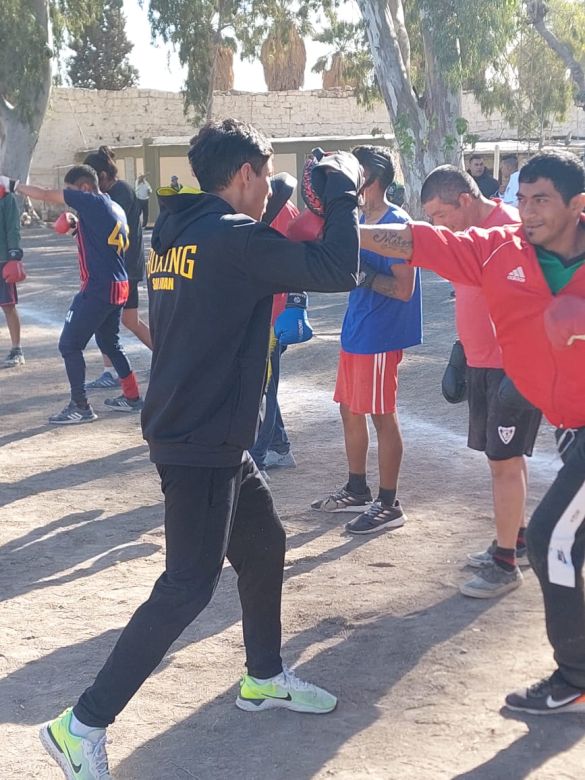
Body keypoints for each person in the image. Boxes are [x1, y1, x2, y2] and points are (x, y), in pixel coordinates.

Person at [37, 118, 363, 778]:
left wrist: (287, 205)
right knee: (187, 586)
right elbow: (337, 268)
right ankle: (83, 725)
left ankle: (263, 676)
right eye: (264, 176)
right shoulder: (232, 238)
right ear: (243, 174)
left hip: (196, 423)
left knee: (264, 543)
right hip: (202, 435)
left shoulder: (181, 229)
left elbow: (244, 263)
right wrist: (344, 192)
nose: (267, 189)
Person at [360, 150, 585, 715]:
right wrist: (349, 234)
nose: (527, 212)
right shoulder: (501, 250)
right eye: (523, 198)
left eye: (542, 201)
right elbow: (423, 243)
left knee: (552, 536)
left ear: (577, 206)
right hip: (570, 423)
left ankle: (576, 674)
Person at [420, 165, 542, 598]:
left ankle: (505, 564)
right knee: (505, 461)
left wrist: (523, 369)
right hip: (482, 363)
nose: (438, 225)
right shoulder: (466, 240)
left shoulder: (511, 229)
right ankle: (518, 539)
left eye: (440, 215)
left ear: (465, 201)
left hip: (512, 368)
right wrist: (461, 350)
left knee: (503, 464)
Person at [312, 145, 422, 535]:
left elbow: (405, 289)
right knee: (349, 409)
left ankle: (389, 503)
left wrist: (366, 278)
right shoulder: (360, 218)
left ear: (371, 181)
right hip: (358, 329)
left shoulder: (395, 224)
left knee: (381, 414)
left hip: (378, 335)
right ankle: (357, 488)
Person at [0, 166, 144, 423]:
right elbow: (104, 242)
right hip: (119, 285)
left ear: (85, 188)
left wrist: (12, 184)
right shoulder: (114, 207)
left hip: (98, 287)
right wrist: (78, 227)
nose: (66, 196)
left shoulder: (89, 199)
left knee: (69, 344)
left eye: (70, 192)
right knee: (110, 343)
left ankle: (81, 406)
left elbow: (44, 194)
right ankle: (132, 396)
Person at [82, 147, 152, 390]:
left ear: (101, 175)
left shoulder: (119, 192)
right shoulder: (113, 191)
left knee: (106, 320)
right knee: (130, 320)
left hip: (123, 268)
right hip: (121, 267)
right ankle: (164, 359)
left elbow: (108, 227)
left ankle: (112, 372)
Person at [250, 198, 300, 477]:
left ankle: (258, 457)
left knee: (263, 386)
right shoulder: (280, 205)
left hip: (271, 315)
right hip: (270, 312)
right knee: (263, 382)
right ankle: (279, 447)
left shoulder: (276, 208)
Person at [0, 188, 25, 367]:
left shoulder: (5, 198)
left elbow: (13, 227)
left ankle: (17, 350)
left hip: (2, 260)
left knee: (8, 305)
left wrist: (14, 255)